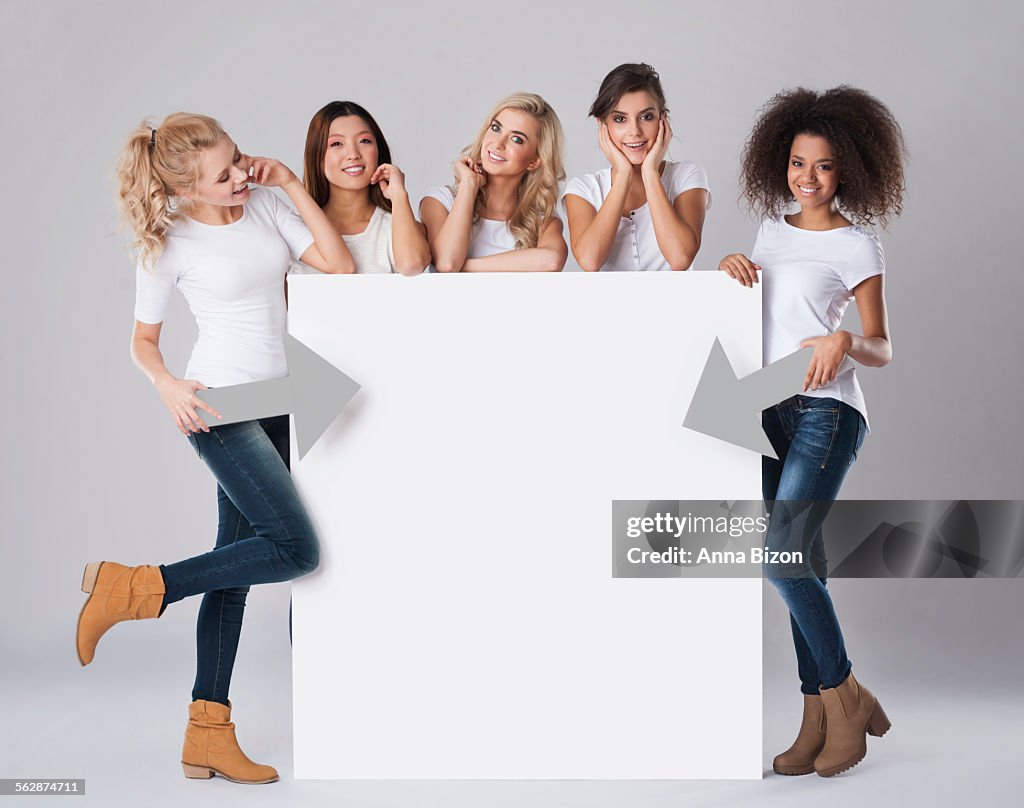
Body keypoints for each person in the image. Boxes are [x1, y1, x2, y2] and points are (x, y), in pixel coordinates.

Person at [77, 112, 350, 784]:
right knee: (296, 551)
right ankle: (137, 588)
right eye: (222, 173)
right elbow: (142, 343)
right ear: (186, 187)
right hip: (219, 408)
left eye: (236, 159)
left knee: (234, 571)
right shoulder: (167, 241)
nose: (238, 175)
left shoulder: (266, 204)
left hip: (280, 398)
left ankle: (206, 735)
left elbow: (337, 264)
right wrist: (167, 383)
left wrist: (286, 179)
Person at [719, 86, 907, 778]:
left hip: (827, 410)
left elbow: (883, 345)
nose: (807, 177)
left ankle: (848, 695)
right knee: (807, 564)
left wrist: (844, 341)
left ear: (847, 170)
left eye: (823, 166)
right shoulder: (771, 230)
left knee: (780, 555)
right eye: (798, 163)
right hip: (767, 406)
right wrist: (733, 270)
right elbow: (759, 315)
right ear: (782, 164)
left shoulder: (859, 243)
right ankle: (818, 716)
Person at [563, 63, 710, 271]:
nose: (635, 131)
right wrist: (623, 175)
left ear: (663, 121)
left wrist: (650, 172)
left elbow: (680, 258)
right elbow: (590, 260)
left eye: (647, 117)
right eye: (620, 119)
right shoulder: (583, 189)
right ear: (603, 125)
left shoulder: (687, 176)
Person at [420, 92, 567, 272]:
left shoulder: (542, 222)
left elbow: (552, 260)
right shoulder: (440, 201)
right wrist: (468, 185)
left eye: (517, 139)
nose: (498, 144)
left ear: (534, 161)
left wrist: (464, 267)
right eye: (496, 128)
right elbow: (447, 263)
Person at [300, 100, 430, 275]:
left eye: (364, 141)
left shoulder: (399, 228)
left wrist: (399, 195)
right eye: (336, 144)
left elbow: (412, 265)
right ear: (316, 156)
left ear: (378, 151)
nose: (353, 154)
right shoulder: (296, 229)